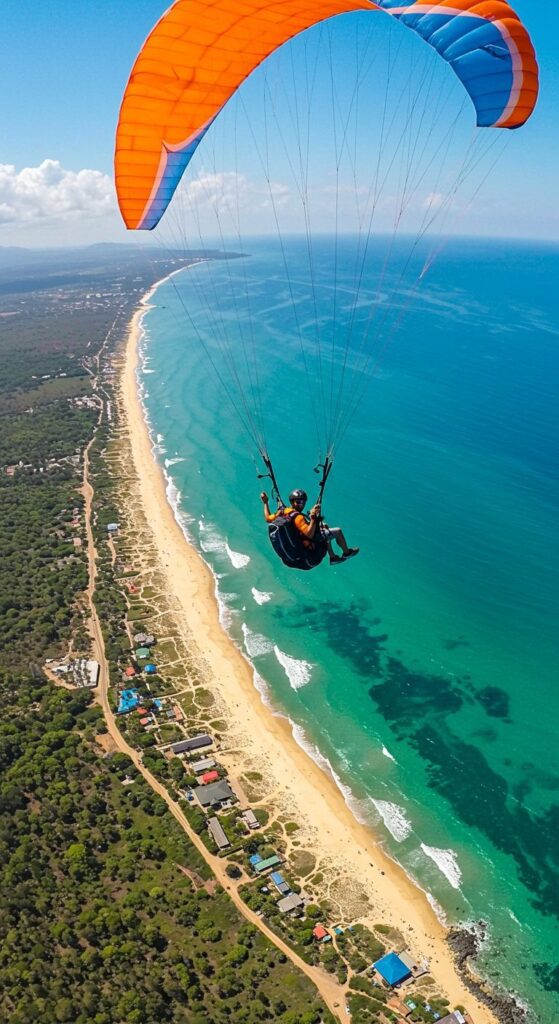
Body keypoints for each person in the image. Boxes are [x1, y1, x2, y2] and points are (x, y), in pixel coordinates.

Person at [261, 488, 359, 565]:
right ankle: (346, 553)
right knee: (338, 531)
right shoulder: (298, 517)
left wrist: (265, 502)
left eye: (303, 502)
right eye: (298, 502)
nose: (301, 505)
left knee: (324, 526)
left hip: (293, 551)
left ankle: (333, 557)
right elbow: (309, 535)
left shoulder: (282, 511)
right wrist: (313, 517)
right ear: (292, 502)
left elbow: (268, 518)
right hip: (307, 551)